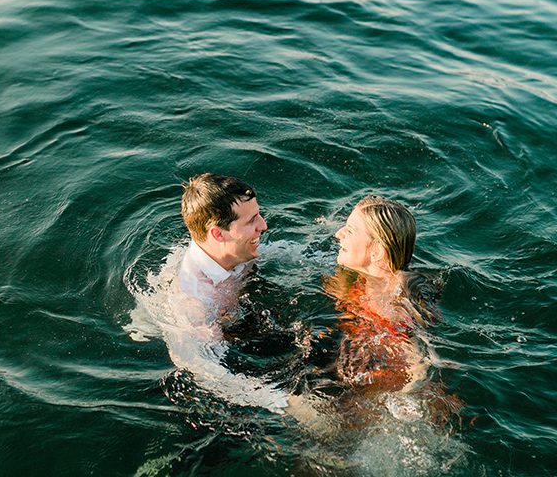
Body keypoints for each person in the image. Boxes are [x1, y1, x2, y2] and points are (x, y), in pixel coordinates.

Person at [127, 173, 302, 414]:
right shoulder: (195, 301)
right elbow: (199, 367)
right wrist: (280, 401)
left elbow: (287, 254)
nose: (263, 225)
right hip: (161, 368)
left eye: (259, 215)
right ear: (218, 234)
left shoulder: (233, 251)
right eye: (252, 221)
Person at [326, 194, 439, 397]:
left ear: (377, 252)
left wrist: (406, 395)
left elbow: (418, 359)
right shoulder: (355, 280)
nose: (338, 234)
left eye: (349, 231)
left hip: (389, 381)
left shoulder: (400, 296)